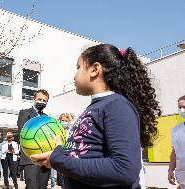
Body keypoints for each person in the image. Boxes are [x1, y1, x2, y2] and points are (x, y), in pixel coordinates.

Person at [31, 44, 161, 189]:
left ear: (94, 69)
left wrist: (59, 159)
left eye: (78, 67)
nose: (74, 75)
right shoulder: (96, 107)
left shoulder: (116, 106)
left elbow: (124, 169)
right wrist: (56, 159)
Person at [17, 89, 51, 189]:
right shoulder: (24, 113)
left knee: (42, 186)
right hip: (31, 158)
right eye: (40, 99)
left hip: (45, 159)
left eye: (45, 101)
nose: (42, 102)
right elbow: (23, 134)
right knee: (32, 186)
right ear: (34, 99)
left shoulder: (47, 118)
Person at [168, 95, 185, 189]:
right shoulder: (176, 130)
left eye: (184, 107)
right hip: (182, 177)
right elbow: (174, 151)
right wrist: (170, 170)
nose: (182, 110)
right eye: (180, 107)